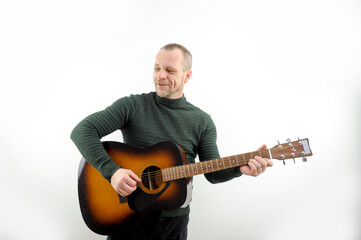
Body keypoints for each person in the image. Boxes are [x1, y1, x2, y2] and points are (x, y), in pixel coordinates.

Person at [71, 43, 273, 240]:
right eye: (157, 68)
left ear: (188, 75)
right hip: (127, 216)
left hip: (173, 225)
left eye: (170, 70)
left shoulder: (202, 121)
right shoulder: (132, 106)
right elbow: (82, 131)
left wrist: (240, 168)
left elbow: (214, 173)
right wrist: (112, 172)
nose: (160, 76)